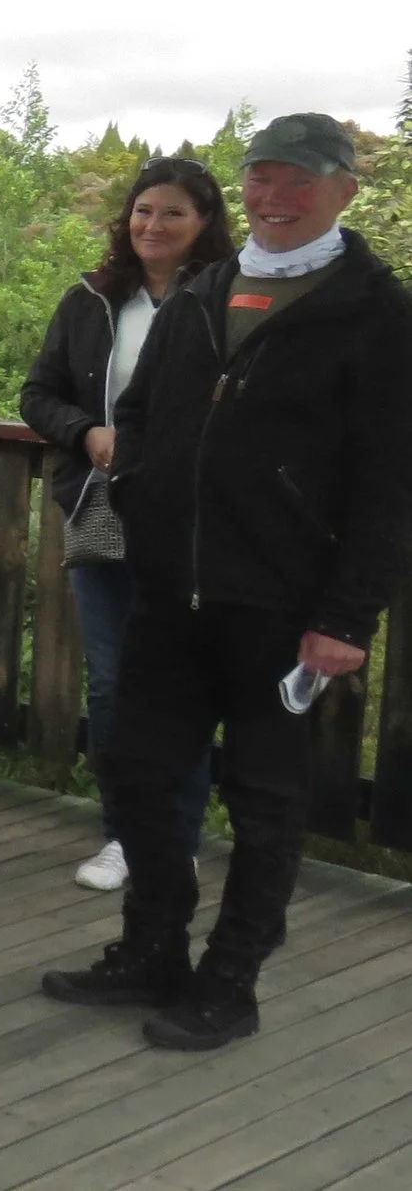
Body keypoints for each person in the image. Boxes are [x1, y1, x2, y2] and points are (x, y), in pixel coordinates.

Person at [43, 112, 412, 1050]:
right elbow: (136, 412)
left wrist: (345, 617)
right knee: (135, 772)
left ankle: (231, 980)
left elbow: (389, 485)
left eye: (299, 179)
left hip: (285, 613)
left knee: (264, 802)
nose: (274, 197)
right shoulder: (207, 290)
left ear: (343, 191)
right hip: (169, 592)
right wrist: (144, 497)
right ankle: (153, 951)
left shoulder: (376, 313)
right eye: (260, 177)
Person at [18, 158, 234, 893]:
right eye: (143, 211)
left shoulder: (227, 302)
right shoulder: (92, 300)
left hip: (196, 523)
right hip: (105, 508)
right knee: (112, 683)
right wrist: (86, 433)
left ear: (204, 223)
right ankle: (124, 835)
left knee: (180, 682)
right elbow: (38, 393)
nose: (153, 226)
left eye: (172, 213)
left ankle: (178, 835)